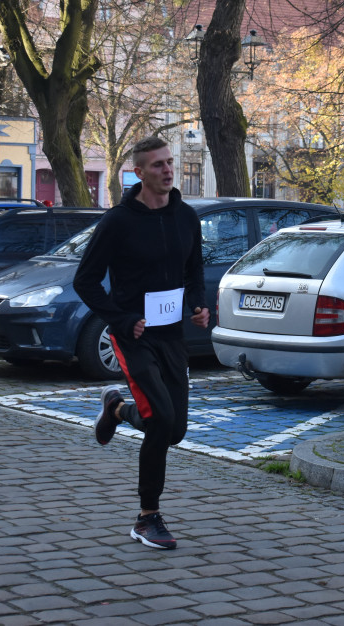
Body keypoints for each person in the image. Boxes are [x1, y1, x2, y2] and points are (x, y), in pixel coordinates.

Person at [73, 136, 210, 548]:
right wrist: (122, 318)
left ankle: (116, 409)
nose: (167, 170)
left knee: (175, 429)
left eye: (169, 163)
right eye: (157, 165)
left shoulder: (186, 216)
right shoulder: (118, 221)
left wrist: (198, 305)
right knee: (162, 420)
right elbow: (85, 280)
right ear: (139, 173)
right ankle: (148, 516)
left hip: (171, 335)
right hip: (132, 337)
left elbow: (194, 270)